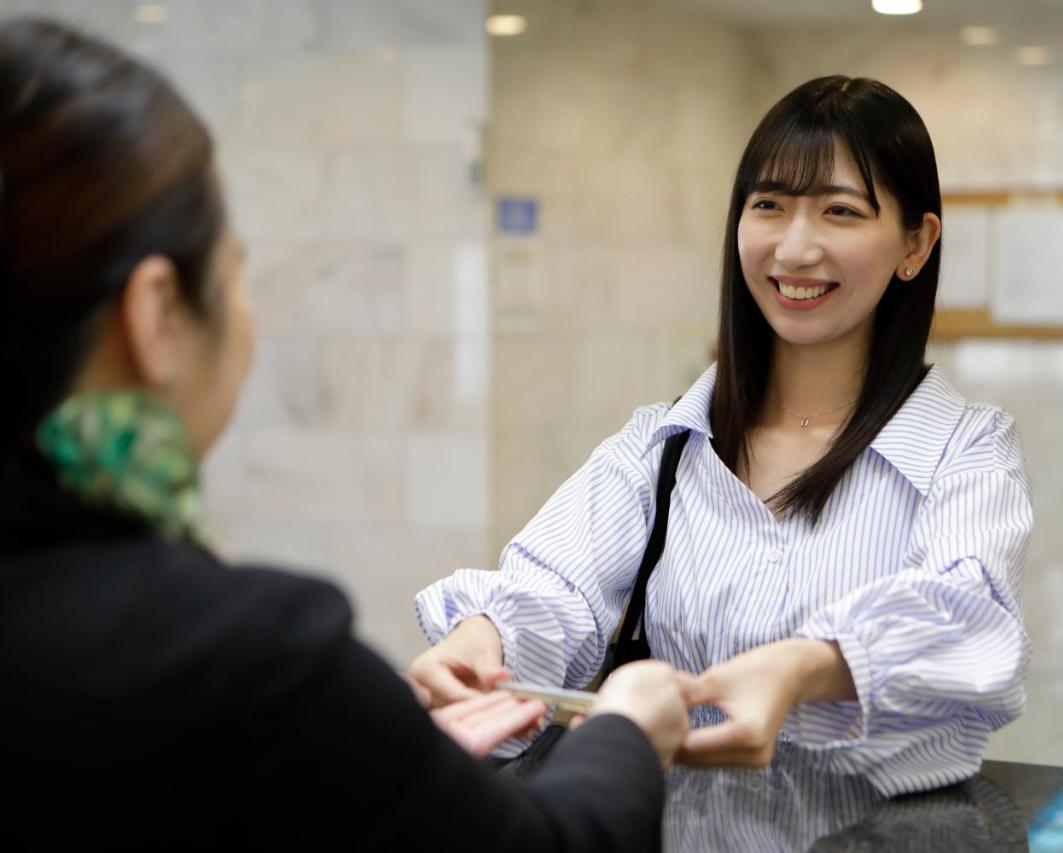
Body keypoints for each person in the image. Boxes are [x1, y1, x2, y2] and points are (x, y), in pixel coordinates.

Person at [0, 18, 693, 851]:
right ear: (156, 316)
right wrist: (625, 731)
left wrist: (391, 767)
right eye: (233, 270)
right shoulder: (249, 657)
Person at [412, 75, 1034, 796]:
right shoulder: (664, 443)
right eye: (768, 205)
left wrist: (805, 666)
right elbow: (554, 586)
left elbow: (970, 616)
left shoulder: (967, 449)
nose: (795, 249)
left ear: (916, 244)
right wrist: (480, 642)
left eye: (840, 211)